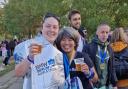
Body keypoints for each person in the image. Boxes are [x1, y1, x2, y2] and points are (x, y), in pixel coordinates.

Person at [14, 13, 65, 89]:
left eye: (55, 27)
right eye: (48, 26)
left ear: (58, 30)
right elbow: (18, 73)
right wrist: (30, 58)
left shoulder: (60, 48)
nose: (51, 30)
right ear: (42, 27)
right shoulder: (26, 46)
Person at [82, 22, 117, 89]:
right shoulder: (88, 47)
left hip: (107, 85)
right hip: (94, 85)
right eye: (102, 32)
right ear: (97, 33)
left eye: (107, 32)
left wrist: (114, 84)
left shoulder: (109, 48)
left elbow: (112, 67)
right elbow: (85, 67)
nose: (104, 35)